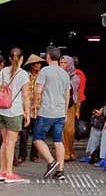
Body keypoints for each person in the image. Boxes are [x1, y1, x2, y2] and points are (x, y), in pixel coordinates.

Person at [33, 46, 71, 181]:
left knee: (37, 138)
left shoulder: (45, 71)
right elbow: (68, 95)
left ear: (48, 57)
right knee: (58, 141)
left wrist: (35, 106)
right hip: (60, 112)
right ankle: (60, 171)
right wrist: (65, 112)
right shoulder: (65, 73)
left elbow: (38, 92)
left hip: (46, 111)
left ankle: (51, 161)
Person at [0, 48, 31, 183]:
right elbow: (26, 96)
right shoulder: (23, 74)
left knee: (4, 141)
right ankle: (9, 173)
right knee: (11, 143)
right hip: (13, 111)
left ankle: (2, 172)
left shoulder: (2, 72)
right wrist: (27, 114)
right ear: (21, 59)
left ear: (9, 59)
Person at [18, 54, 45, 164]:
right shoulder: (25, 76)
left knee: (37, 134)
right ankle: (22, 155)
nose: (38, 66)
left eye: (39, 64)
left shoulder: (43, 76)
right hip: (26, 109)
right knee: (24, 134)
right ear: (31, 66)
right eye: (36, 64)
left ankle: (34, 155)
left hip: (39, 109)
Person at [59, 55, 81, 162]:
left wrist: (77, 110)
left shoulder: (75, 77)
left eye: (65, 63)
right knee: (61, 129)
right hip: (59, 105)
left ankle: (70, 150)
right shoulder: (57, 74)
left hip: (70, 105)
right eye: (61, 62)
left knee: (69, 130)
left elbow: (75, 93)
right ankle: (65, 152)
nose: (62, 65)